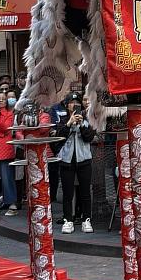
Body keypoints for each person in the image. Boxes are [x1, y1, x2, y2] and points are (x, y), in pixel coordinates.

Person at [58, 91, 95, 234]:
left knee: (85, 191)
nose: (75, 105)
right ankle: (68, 220)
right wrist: (69, 124)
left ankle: (86, 219)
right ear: (67, 105)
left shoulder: (87, 119)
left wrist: (81, 125)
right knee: (67, 192)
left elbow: (89, 137)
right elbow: (59, 137)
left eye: (77, 103)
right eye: (72, 103)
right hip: (66, 160)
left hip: (84, 159)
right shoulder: (62, 119)